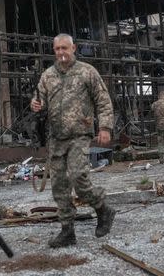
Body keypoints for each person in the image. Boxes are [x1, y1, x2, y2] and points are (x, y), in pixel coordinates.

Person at [30, 33, 116, 248]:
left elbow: (103, 100)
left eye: (64, 48)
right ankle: (67, 230)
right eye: (57, 49)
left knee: (79, 176)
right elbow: (39, 101)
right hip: (57, 138)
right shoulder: (47, 76)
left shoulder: (87, 71)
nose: (61, 53)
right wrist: (36, 105)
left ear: (73, 48)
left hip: (80, 135)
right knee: (59, 186)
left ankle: (102, 208)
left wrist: (105, 127)